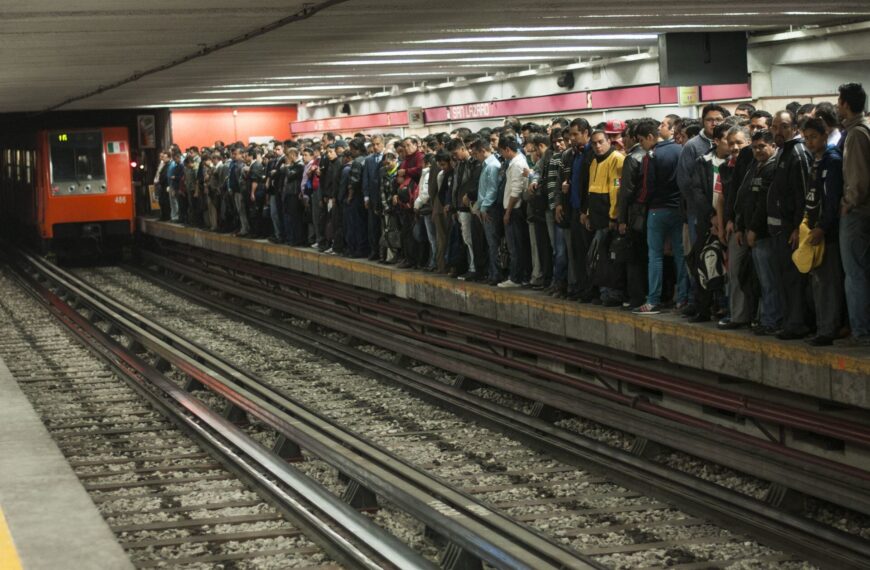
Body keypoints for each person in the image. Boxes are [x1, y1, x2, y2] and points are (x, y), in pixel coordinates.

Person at [632, 119, 687, 315]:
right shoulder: (681, 149)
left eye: (641, 140)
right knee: (681, 255)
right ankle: (682, 298)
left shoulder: (651, 156)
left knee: (655, 255)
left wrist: (639, 202)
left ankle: (653, 300)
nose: (641, 145)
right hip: (679, 210)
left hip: (657, 210)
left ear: (649, 137)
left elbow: (648, 187)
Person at [767, 110, 813, 339]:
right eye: (775, 127)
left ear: (794, 128)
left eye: (784, 127)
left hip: (793, 229)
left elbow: (804, 194)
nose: (778, 132)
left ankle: (797, 324)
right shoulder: (782, 152)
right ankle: (789, 321)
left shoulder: (797, 153)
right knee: (784, 277)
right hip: (779, 227)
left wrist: (798, 227)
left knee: (794, 279)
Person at [802, 117, 845, 346]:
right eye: (806, 138)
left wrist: (823, 227)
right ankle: (821, 326)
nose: (809, 142)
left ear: (825, 135)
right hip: (812, 228)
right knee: (817, 281)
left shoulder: (832, 161)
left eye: (814, 137)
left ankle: (828, 329)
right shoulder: (814, 161)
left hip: (827, 232)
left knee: (828, 282)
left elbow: (832, 199)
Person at [837, 82, 870, 345]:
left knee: (855, 274)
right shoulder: (864, 129)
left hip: (858, 213)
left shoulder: (857, 134)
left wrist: (848, 203)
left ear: (846, 104)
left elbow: (858, 179)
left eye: (839, 102)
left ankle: (861, 332)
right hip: (863, 212)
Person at [582, 130, 625, 305]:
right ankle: (603, 291)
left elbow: (616, 191)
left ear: (609, 141)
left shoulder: (617, 159)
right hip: (597, 216)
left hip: (609, 218)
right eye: (594, 143)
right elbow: (591, 189)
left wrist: (614, 217)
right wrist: (588, 214)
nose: (598, 146)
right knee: (598, 257)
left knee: (609, 258)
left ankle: (612, 294)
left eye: (601, 142)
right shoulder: (593, 161)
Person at [745, 130, 782, 335]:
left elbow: (763, 205)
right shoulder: (757, 167)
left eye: (762, 146)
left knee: (770, 280)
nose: (758, 151)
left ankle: (772, 319)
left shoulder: (771, 168)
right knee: (763, 279)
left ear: (772, 146)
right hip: (756, 232)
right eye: (755, 147)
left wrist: (754, 230)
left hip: (765, 234)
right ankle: (768, 317)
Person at [498, 135, 530, 288]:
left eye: (502, 152)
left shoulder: (517, 164)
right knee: (516, 246)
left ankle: (517, 278)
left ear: (507, 149)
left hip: (515, 210)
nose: (502, 155)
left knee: (515, 246)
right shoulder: (516, 163)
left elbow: (516, 191)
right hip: (514, 209)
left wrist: (508, 212)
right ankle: (519, 276)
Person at [473, 140, 503, 285]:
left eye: (475, 153)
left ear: (483, 151)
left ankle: (496, 274)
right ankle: (492, 272)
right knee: (489, 243)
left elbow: (492, 189)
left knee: (493, 243)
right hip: (485, 207)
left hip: (490, 209)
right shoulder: (486, 166)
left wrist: (483, 207)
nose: (475, 156)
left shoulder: (492, 166)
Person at [363, 135, 384, 260]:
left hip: (384, 196)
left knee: (385, 226)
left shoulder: (388, 157)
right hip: (372, 197)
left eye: (377, 144)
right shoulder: (369, 160)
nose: (375, 147)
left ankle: (385, 253)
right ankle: (374, 251)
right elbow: (365, 179)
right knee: (372, 227)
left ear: (383, 144)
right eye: (373, 144)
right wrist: (366, 197)